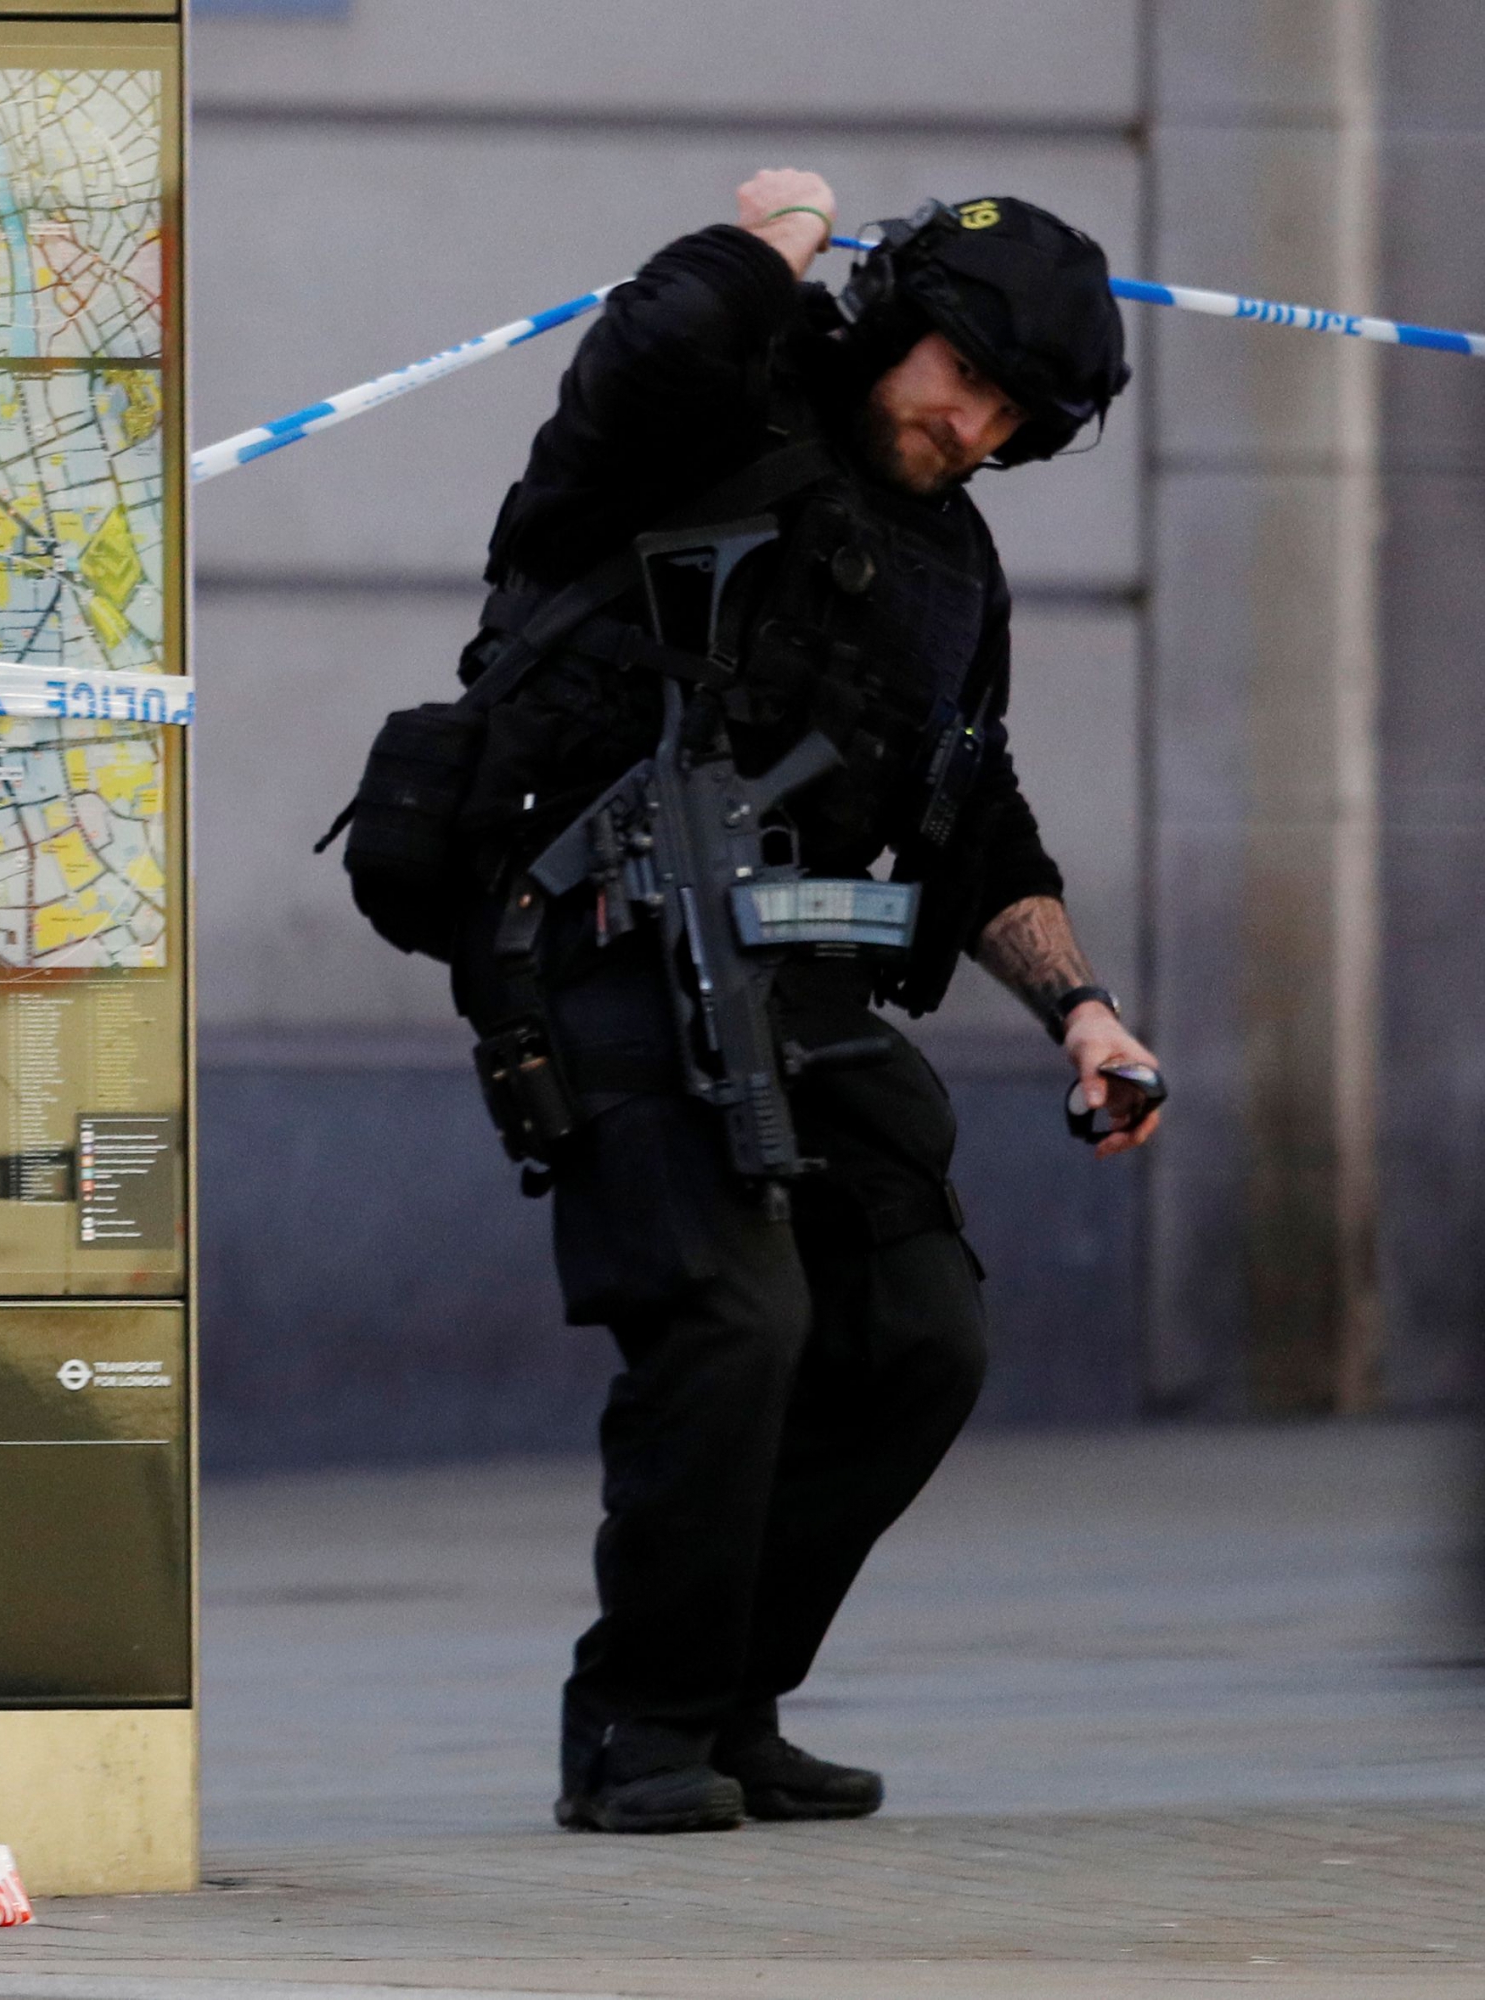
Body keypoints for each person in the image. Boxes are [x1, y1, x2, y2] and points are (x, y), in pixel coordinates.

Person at [450, 170, 1162, 1834]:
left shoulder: (951, 565)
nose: (974, 427)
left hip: (818, 982)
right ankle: (637, 1728)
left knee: (921, 1339)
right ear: (896, 320)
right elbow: (636, 362)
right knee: (734, 1322)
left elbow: (974, 817)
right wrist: (764, 239)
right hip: (618, 948)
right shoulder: (704, 428)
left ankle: (728, 1698)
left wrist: (1084, 1013)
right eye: (960, 380)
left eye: (1011, 416)